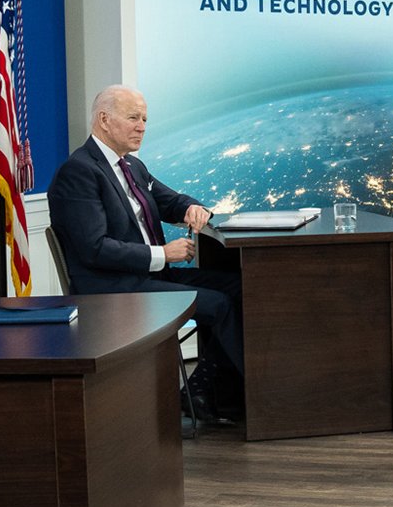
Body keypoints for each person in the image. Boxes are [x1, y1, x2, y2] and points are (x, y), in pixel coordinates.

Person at [46, 85, 245, 423]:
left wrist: (192, 207)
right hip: (114, 288)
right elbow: (94, 249)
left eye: (145, 119)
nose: (141, 126)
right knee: (220, 304)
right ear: (105, 120)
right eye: (133, 118)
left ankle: (209, 392)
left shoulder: (132, 166)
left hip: (148, 277)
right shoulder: (78, 172)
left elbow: (169, 200)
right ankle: (224, 393)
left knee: (241, 286)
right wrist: (162, 254)